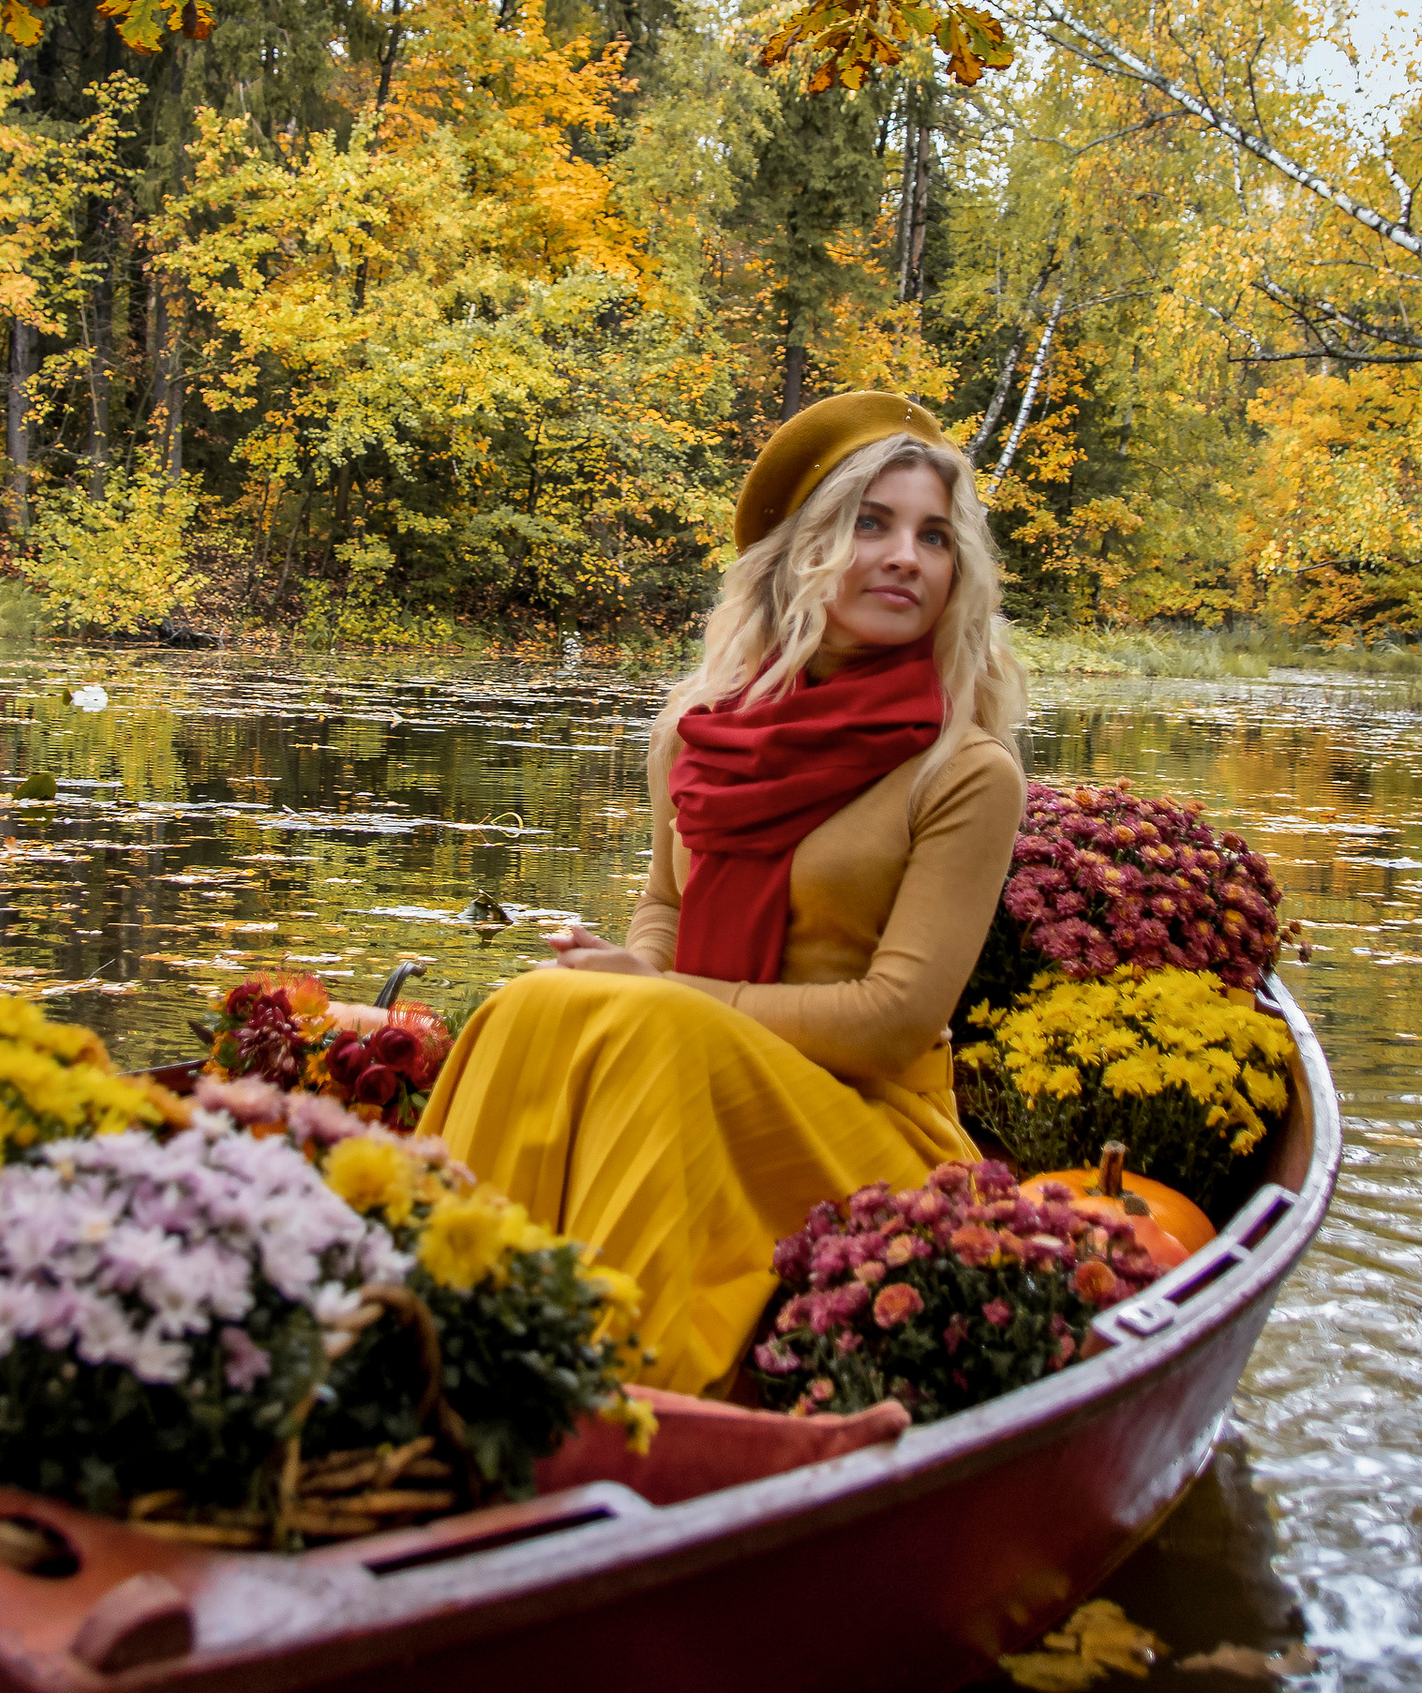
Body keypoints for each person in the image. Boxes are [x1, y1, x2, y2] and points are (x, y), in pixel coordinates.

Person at [420, 391, 1028, 1395]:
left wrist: (665, 1000)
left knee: (650, 1032)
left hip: (866, 1131)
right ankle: (448, 1334)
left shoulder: (962, 774)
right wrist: (635, 972)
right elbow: (665, 908)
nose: (904, 557)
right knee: (533, 1000)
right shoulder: (699, 733)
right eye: (868, 524)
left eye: (932, 536)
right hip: (690, 1068)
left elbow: (892, 1022)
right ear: (800, 551)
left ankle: (614, 1393)